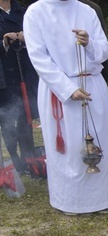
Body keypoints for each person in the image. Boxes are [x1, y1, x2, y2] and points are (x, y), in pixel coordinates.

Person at [23, 0, 108, 215]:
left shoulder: (87, 10)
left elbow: (104, 51)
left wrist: (89, 43)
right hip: (59, 88)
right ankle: (71, 202)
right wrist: (66, 88)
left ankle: (100, 200)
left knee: (101, 143)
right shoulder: (36, 12)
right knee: (69, 149)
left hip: (91, 85)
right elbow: (38, 57)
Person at [0, 0, 39, 176]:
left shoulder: (24, 12)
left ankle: (29, 158)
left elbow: (37, 36)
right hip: (3, 77)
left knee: (26, 115)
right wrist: (4, 39)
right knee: (7, 118)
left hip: (24, 72)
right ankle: (13, 159)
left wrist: (25, 35)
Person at [78, 0, 108, 86]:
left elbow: (102, 41)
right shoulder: (42, 8)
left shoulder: (91, 8)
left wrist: (107, 75)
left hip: (90, 78)